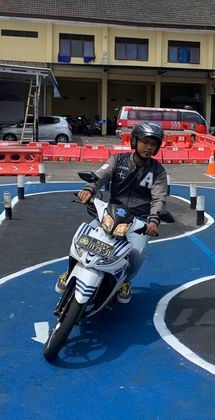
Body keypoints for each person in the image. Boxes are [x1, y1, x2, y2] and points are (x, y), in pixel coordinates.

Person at [55, 121, 168, 304]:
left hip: (137, 221)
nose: (148, 147)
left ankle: (125, 281)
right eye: (145, 142)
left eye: (153, 144)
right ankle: (70, 270)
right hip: (111, 213)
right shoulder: (118, 160)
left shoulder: (158, 172)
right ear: (134, 141)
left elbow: (159, 197)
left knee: (137, 254)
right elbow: (101, 175)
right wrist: (89, 189)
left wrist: (153, 220)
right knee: (82, 237)